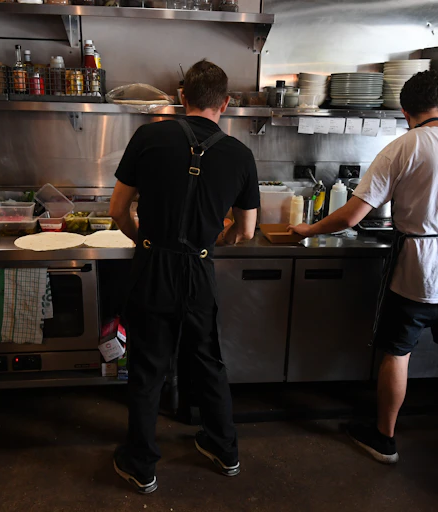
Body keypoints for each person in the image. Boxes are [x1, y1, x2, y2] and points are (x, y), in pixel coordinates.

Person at [290, 71, 438, 464]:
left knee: (397, 353)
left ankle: (385, 439)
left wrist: (307, 229)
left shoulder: (403, 147)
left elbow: (351, 217)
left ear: (405, 112)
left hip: (415, 274)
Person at [109, 59, 259, 494]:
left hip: (153, 266)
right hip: (199, 268)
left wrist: (145, 242)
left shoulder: (149, 136)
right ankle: (224, 449)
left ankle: (141, 464)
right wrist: (218, 239)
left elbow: (118, 210)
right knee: (207, 360)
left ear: (181, 97)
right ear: (226, 104)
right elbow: (246, 230)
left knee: (148, 367)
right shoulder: (240, 154)